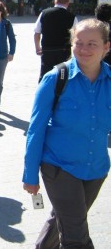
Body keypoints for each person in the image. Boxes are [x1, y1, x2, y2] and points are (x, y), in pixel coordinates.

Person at [23, 18, 111, 249]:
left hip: (95, 169)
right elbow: (36, 129)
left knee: (64, 219)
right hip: (59, 168)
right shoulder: (56, 78)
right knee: (76, 238)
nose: (84, 49)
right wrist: (30, 175)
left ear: (106, 47)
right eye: (78, 43)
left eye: (92, 44)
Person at [34, 0, 78, 82]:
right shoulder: (72, 17)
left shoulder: (44, 13)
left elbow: (37, 32)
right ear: (68, 2)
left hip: (47, 50)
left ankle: (43, 93)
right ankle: (60, 94)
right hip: (63, 51)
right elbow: (76, 37)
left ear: (55, 0)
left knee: (45, 75)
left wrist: (38, 47)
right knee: (62, 76)